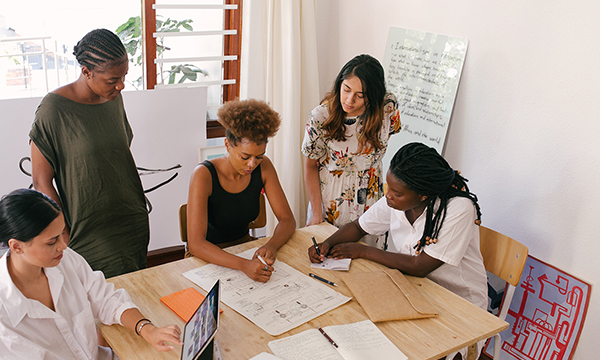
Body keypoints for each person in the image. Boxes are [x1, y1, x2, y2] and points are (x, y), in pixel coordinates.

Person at [0, 189, 182, 360]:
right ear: (17, 246)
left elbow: (105, 298)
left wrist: (147, 329)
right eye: (52, 241)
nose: (63, 245)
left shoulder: (63, 259)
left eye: (62, 233)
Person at [309, 142, 488, 310]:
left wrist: (362, 251)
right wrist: (327, 244)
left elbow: (420, 266)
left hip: (460, 303)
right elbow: (358, 227)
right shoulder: (396, 201)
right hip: (417, 289)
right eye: (389, 189)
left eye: (396, 193)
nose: (388, 196)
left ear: (423, 195)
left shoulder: (458, 208)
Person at [30, 28, 149, 279]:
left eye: (124, 76)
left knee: (135, 293)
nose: (121, 85)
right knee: (99, 301)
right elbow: (41, 181)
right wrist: (62, 233)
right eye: (112, 80)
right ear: (87, 72)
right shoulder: (53, 110)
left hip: (130, 218)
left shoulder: (113, 98)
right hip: (88, 229)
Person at [187, 99, 296, 282]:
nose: (252, 164)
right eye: (245, 157)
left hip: (245, 250)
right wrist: (243, 265)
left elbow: (287, 220)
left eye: (259, 157)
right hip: (208, 258)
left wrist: (272, 245)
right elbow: (196, 244)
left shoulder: (264, 167)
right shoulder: (203, 175)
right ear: (228, 145)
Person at [302, 54, 401, 231]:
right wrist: (317, 213)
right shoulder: (321, 116)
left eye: (360, 95)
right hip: (332, 202)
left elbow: (382, 142)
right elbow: (310, 166)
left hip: (372, 200)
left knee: (368, 256)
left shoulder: (388, 107)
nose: (349, 100)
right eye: (346, 89)